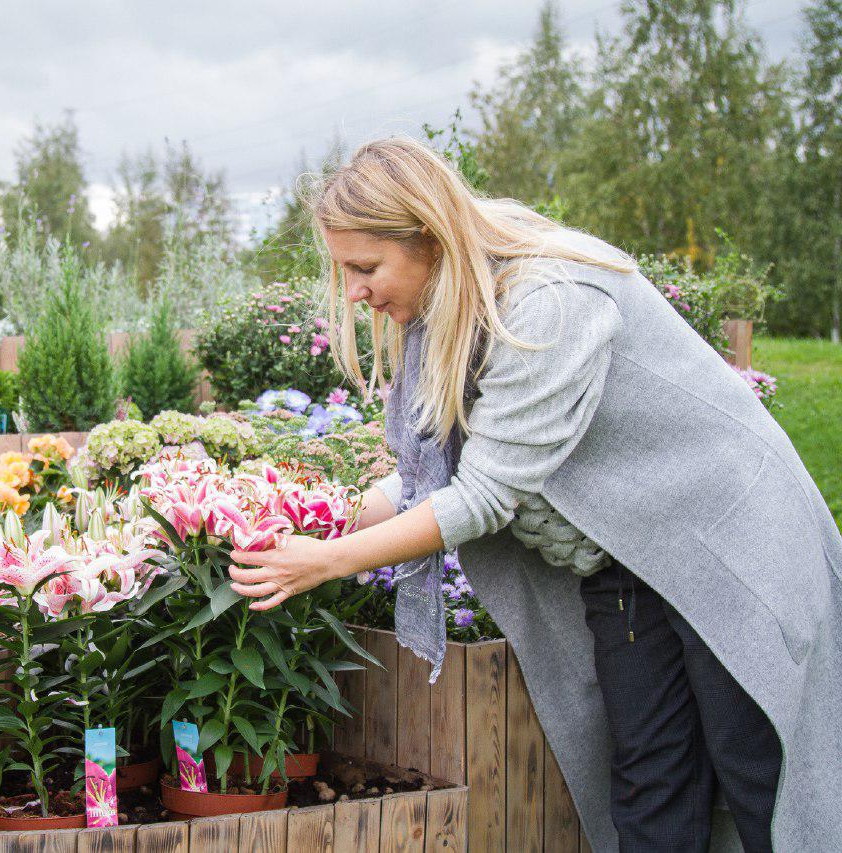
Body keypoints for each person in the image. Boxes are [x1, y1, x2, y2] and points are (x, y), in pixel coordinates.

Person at [228, 137, 842, 852]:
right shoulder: (447, 313)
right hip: (626, 558)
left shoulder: (548, 302)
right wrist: (313, 518)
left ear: (427, 235)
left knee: (759, 776)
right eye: (346, 271)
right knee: (650, 781)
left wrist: (327, 561)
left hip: (729, 542)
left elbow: (484, 494)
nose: (356, 290)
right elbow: (436, 476)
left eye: (366, 266)